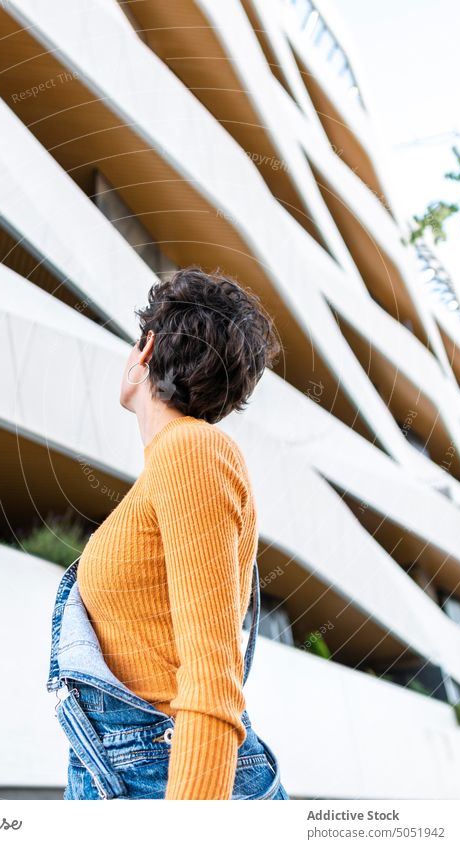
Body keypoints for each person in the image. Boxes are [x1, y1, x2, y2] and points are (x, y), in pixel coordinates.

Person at [47, 266, 289, 799]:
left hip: (167, 772)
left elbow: (210, 669)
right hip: (127, 770)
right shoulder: (171, 464)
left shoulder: (192, 451)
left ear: (148, 346)